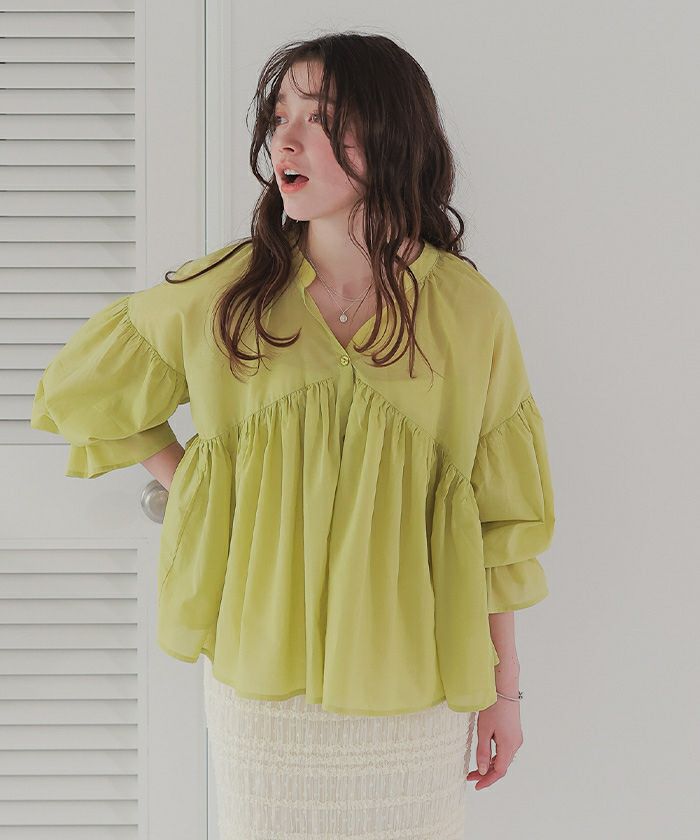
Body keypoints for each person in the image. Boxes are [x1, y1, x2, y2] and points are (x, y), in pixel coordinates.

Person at [31, 31, 555, 839]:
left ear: (392, 133)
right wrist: (199, 484)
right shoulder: (229, 292)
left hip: (415, 683)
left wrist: (505, 693)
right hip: (263, 682)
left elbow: (499, 526)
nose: (286, 140)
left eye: (322, 117)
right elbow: (84, 387)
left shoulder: (467, 310)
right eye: (279, 117)